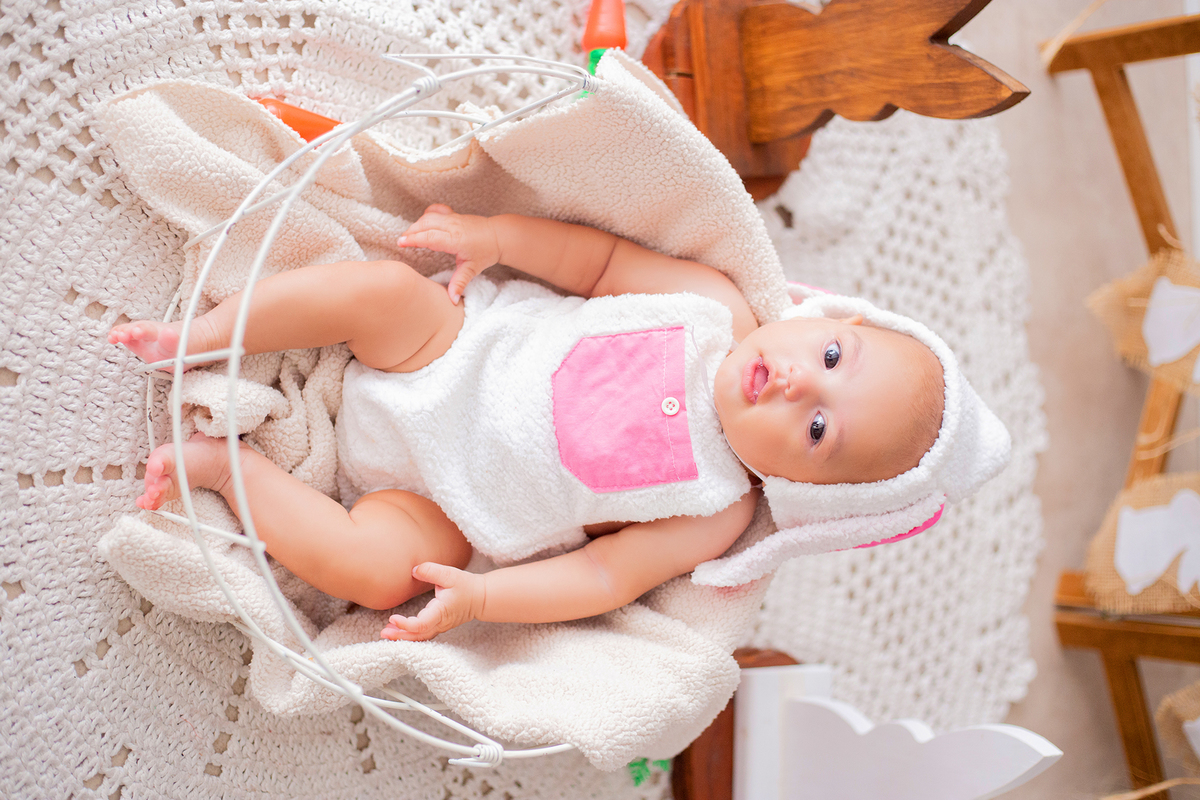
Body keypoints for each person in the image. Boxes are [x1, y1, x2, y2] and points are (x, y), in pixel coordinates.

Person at [108, 205, 946, 642]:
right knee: (382, 292)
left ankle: (223, 469)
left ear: (801, 490)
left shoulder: (717, 506)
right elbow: (601, 263)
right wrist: (495, 234)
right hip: (447, 345)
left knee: (377, 574)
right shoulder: (712, 308)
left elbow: (602, 580)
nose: (800, 387)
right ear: (833, 318)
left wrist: (481, 597)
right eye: (832, 358)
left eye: (816, 433)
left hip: (441, 503)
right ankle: (205, 336)